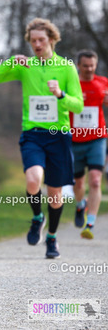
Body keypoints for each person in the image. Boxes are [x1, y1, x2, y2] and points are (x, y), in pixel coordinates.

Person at [0, 18, 83, 259]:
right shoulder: (25, 66)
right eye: (33, 41)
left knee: (55, 194)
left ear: (52, 40)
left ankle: (51, 237)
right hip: (33, 134)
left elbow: (78, 105)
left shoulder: (66, 68)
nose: (37, 45)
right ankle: (37, 217)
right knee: (33, 180)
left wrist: (61, 95)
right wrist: (11, 62)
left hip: (58, 135)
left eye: (41, 40)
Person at [70, 49, 108, 239]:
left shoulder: (103, 82)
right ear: (78, 66)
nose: (89, 69)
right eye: (85, 66)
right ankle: (80, 205)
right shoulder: (70, 83)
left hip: (97, 138)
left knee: (95, 180)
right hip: (74, 140)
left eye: (92, 65)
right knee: (78, 183)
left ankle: (90, 223)